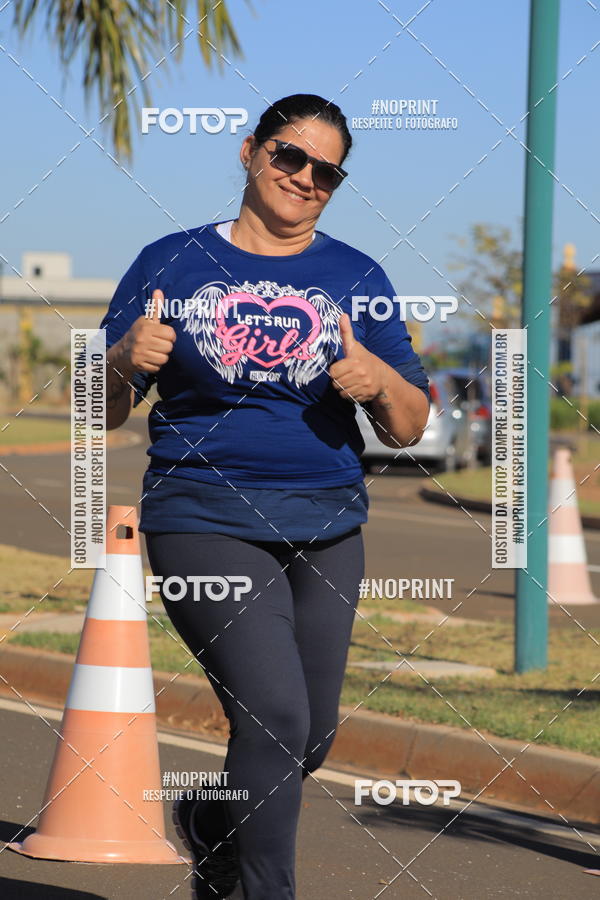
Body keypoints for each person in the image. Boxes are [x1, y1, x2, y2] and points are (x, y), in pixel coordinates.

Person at [101, 93, 430, 900]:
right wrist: (120, 357)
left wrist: (378, 379)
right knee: (276, 721)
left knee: (309, 736)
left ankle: (212, 822)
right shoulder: (169, 261)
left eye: (327, 171)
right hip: (202, 515)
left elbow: (413, 424)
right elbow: (94, 408)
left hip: (328, 524)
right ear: (250, 152)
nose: (305, 177)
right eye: (290, 156)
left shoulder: (357, 276)